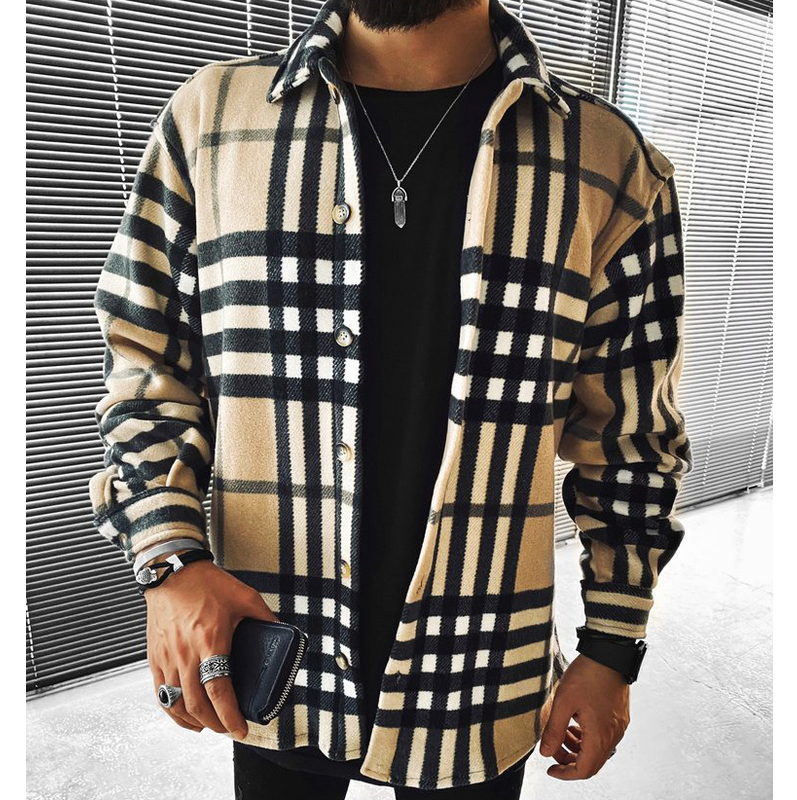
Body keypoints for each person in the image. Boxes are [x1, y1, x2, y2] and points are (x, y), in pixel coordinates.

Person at [89, 0, 693, 797]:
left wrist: (613, 645)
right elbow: (147, 362)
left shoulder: (610, 165)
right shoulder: (210, 122)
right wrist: (169, 560)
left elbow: (631, 438)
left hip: (482, 677)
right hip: (274, 654)